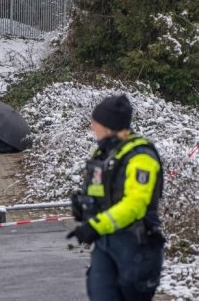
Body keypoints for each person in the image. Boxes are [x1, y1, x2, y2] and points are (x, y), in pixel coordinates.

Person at [67, 95, 165, 301]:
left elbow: (135, 205)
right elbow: (102, 192)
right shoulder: (105, 153)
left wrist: (96, 226)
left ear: (108, 126)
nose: (92, 126)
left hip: (135, 246)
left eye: (96, 122)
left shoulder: (141, 157)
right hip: (106, 244)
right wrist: (84, 206)